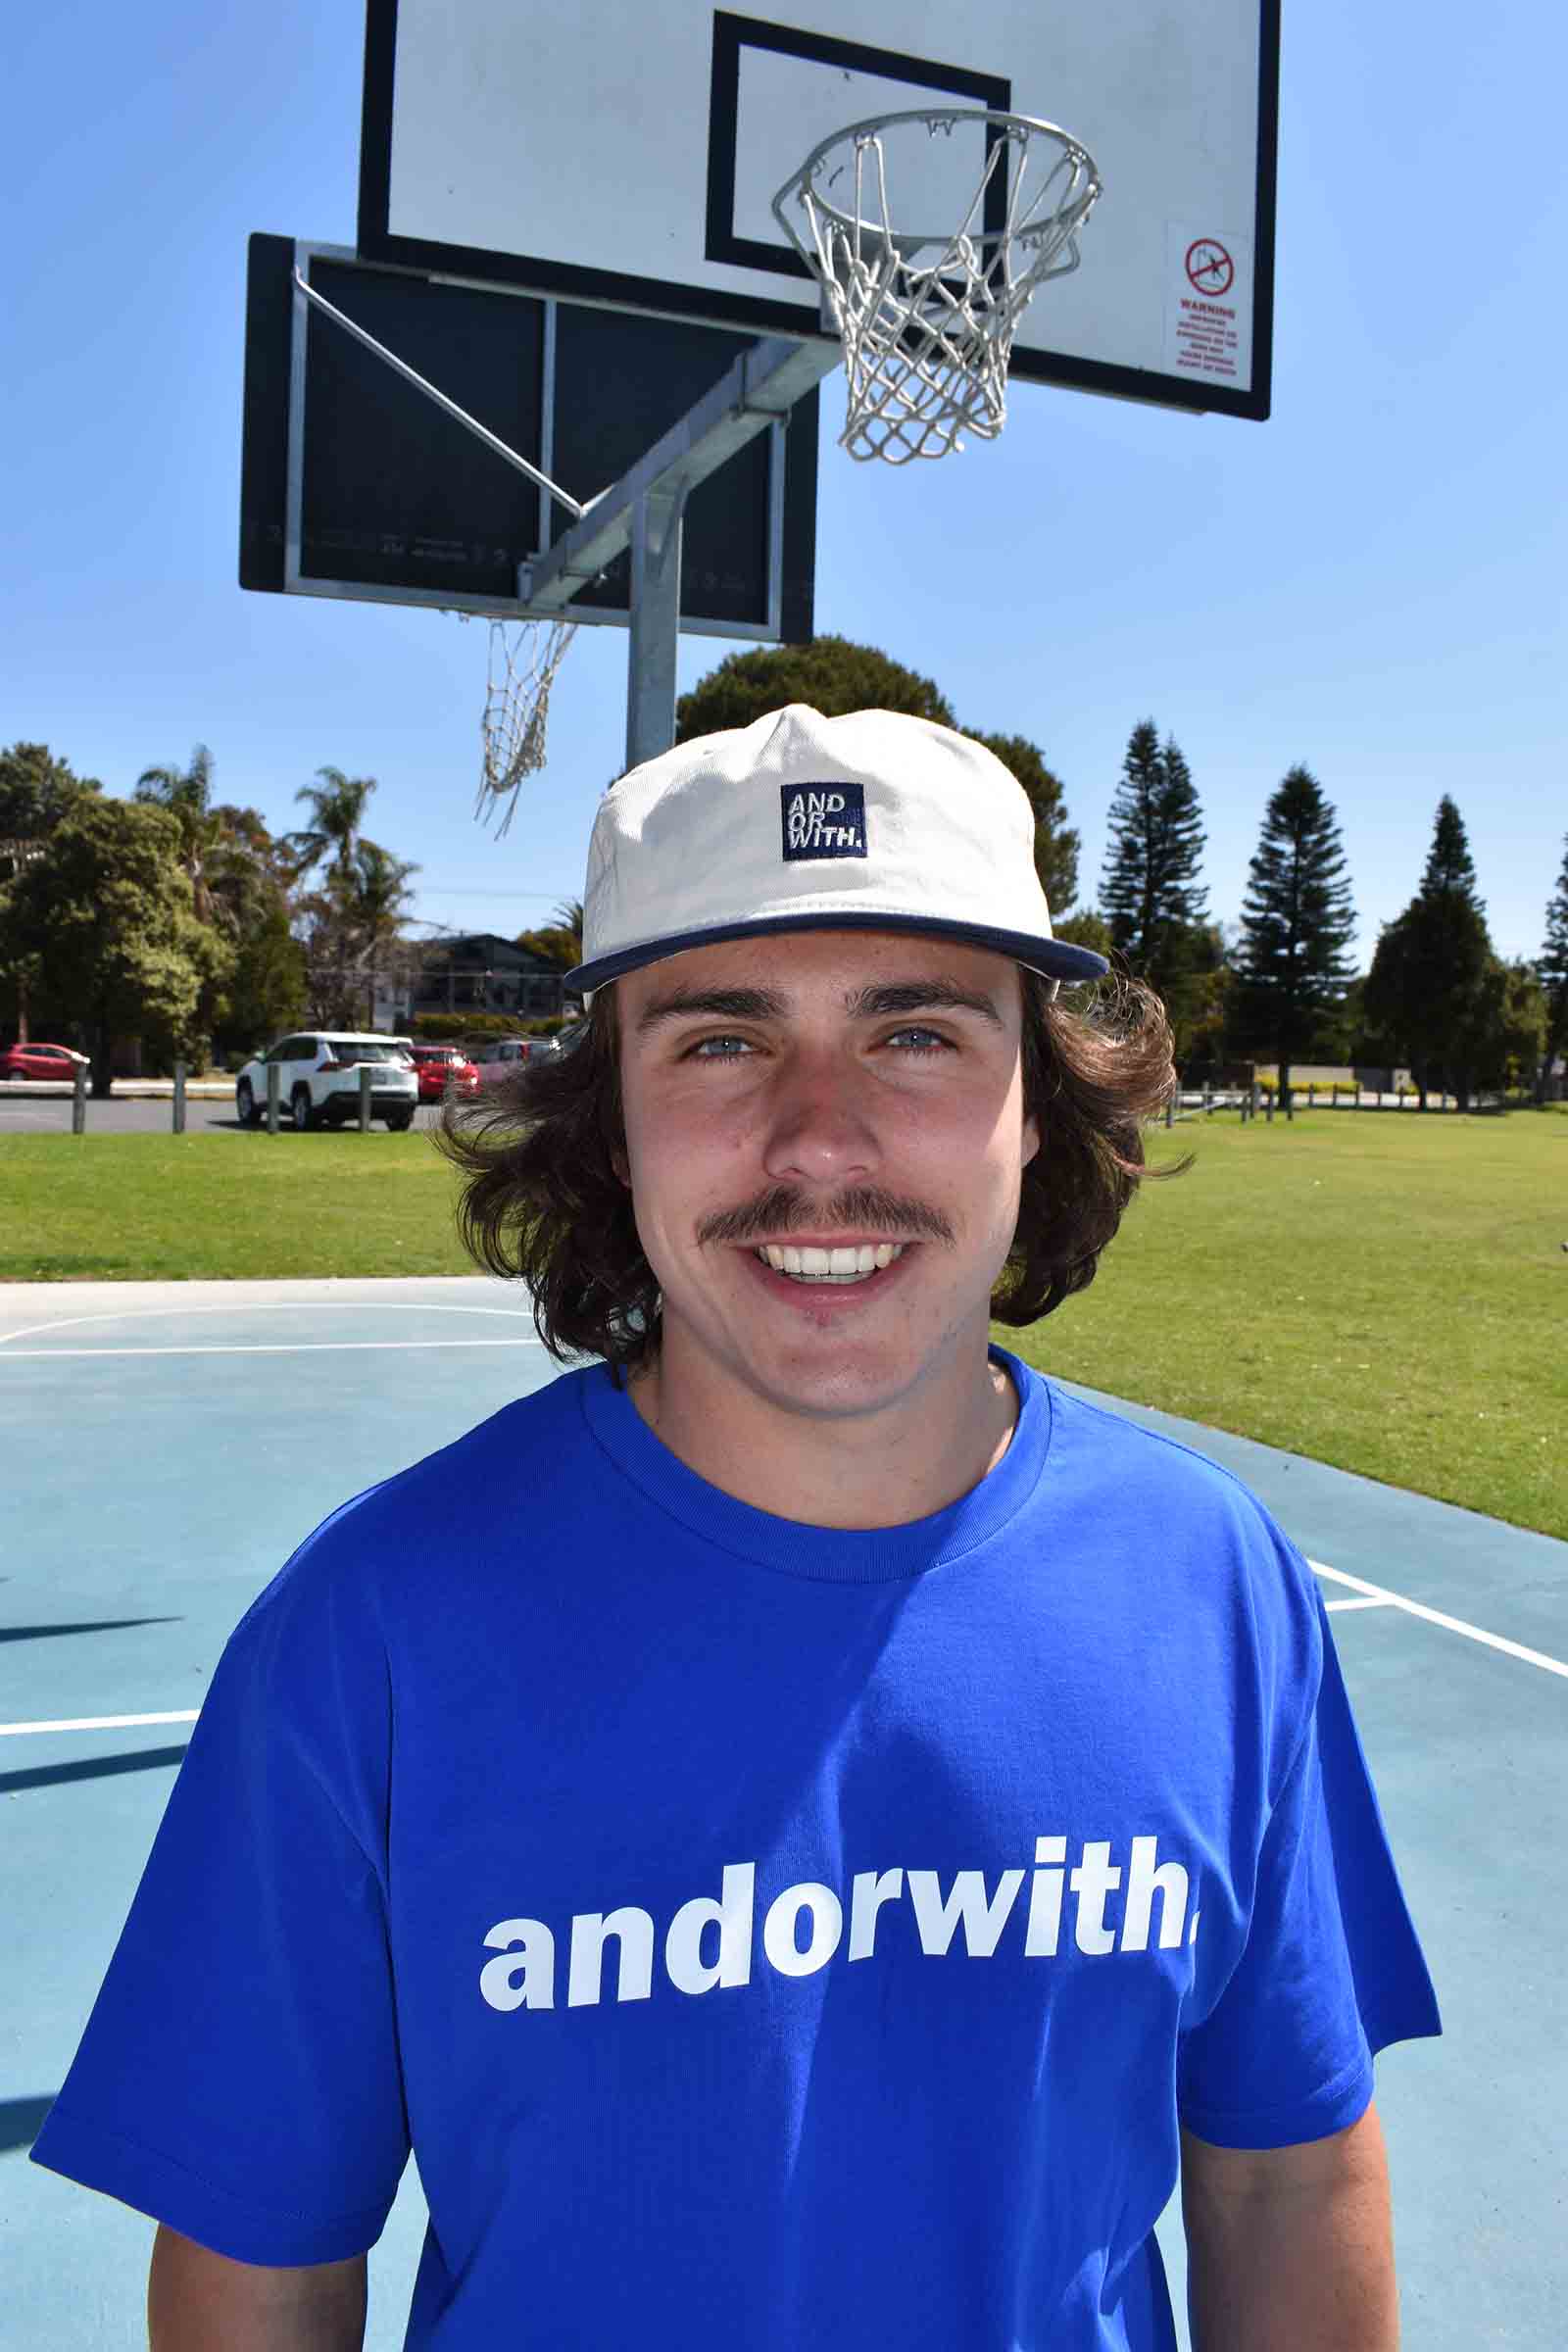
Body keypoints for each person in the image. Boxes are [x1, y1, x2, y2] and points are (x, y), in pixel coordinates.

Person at [33, 705, 1439, 2349]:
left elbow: (1285, 2175)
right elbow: (259, 2266)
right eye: (721, 1040)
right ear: (608, 1118)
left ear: (1039, 1104)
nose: (819, 1140)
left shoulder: (1215, 1581)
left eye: (916, 1034)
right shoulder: (374, 1628)